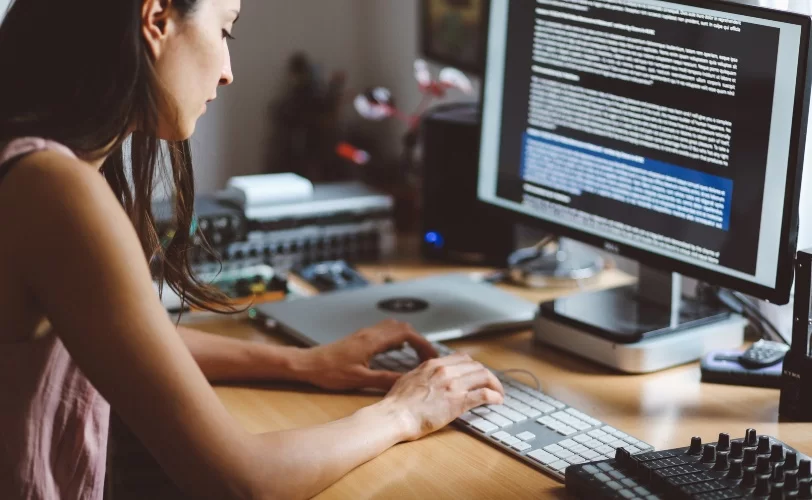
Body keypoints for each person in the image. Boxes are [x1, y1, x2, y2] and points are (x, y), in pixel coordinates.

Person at [0, 0, 505, 499]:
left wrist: (300, 364)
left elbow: (129, 339)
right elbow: (241, 480)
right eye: (226, 31)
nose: (227, 73)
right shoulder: (54, 189)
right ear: (156, 21)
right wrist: (405, 412)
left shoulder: (42, 168)